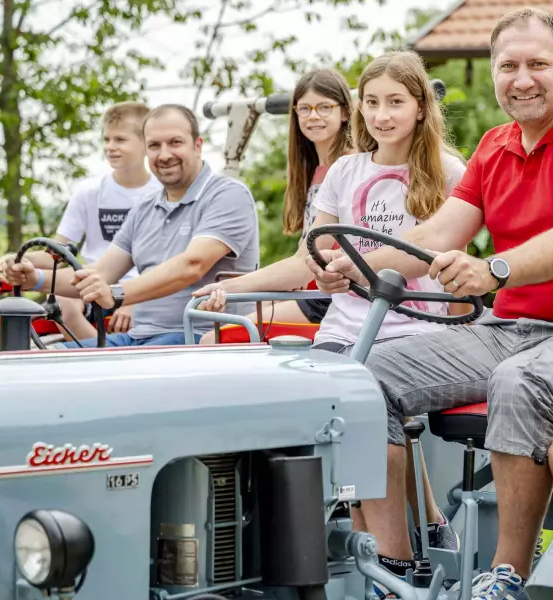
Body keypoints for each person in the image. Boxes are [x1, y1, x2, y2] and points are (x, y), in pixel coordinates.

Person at [306, 8, 553, 597]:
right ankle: (395, 569)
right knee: (365, 379)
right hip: (512, 327)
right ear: (494, 74)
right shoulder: (495, 145)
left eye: (537, 64)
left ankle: (507, 576)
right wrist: (359, 262)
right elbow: (434, 236)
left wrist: (494, 268)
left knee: (519, 383)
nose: (522, 78)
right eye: (508, 66)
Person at [191, 51, 468, 574]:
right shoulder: (345, 169)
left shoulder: (449, 171)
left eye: (396, 103)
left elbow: (455, 261)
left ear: (420, 108)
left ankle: (400, 559)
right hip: (345, 327)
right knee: (316, 406)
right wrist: (235, 288)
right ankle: (362, 557)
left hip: (412, 331)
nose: (382, 115)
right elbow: (310, 257)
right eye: (372, 103)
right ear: (359, 109)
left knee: (365, 407)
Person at [0, 104, 260, 347]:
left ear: (197, 145)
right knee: (42, 361)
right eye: (155, 145)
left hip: (196, 337)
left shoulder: (227, 195)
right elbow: (101, 272)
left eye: (175, 142)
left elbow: (191, 266)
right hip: (137, 338)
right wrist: (36, 279)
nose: (164, 154)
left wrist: (117, 295)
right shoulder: (145, 208)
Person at [197, 68, 354, 345]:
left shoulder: (349, 168)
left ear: (344, 112)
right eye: (304, 108)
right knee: (238, 316)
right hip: (313, 291)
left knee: (214, 338)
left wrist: (230, 286)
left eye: (324, 107)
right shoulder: (314, 171)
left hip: (335, 295)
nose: (313, 116)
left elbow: (306, 263)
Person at [0, 101, 160, 340]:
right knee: (61, 301)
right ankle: (97, 354)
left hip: (146, 289)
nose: (110, 147)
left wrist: (131, 302)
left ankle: (103, 355)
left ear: (145, 144)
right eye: (106, 139)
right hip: (91, 284)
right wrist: (15, 258)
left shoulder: (160, 193)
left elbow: (166, 263)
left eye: (120, 140)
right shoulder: (89, 192)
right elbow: (55, 255)